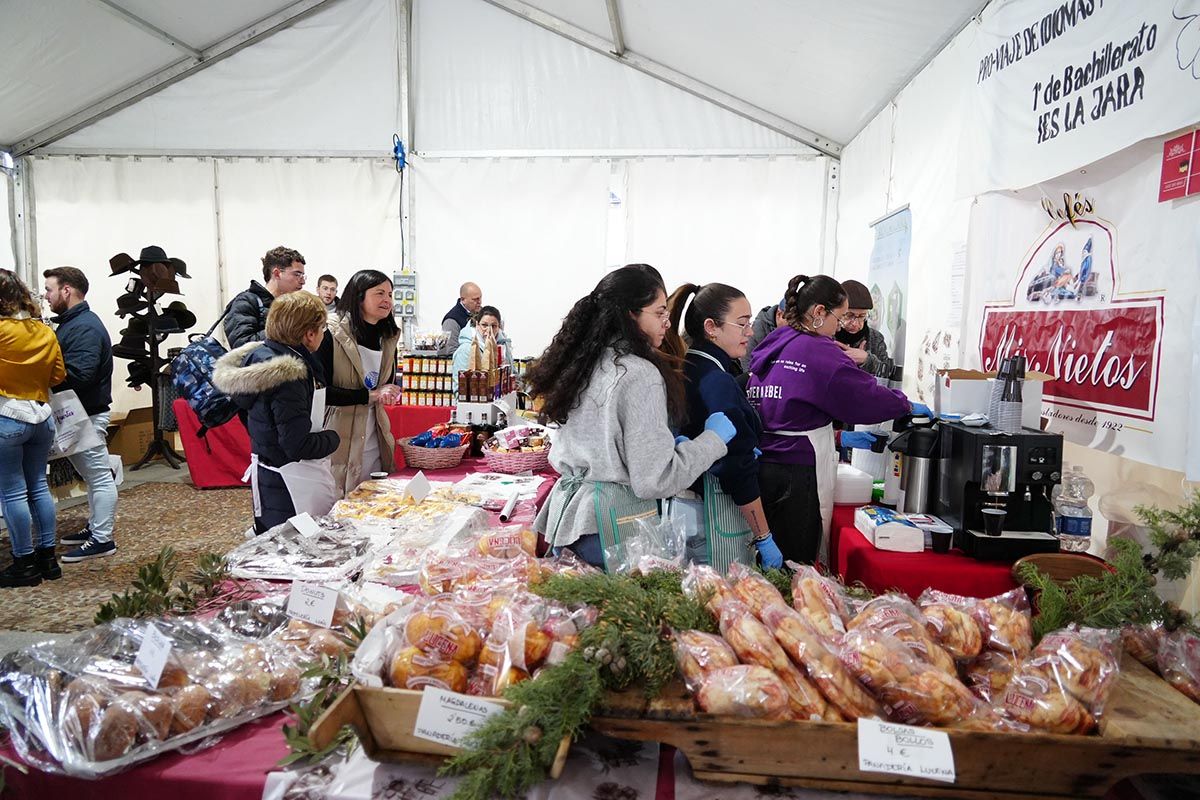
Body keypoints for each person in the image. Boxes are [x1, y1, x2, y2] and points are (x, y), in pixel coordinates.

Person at [528, 264, 735, 571]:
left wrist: (666, 446)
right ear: (630, 315)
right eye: (659, 312)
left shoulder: (582, 363)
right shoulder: (639, 374)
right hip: (610, 529)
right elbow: (655, 479)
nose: (667, 323)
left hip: (569, 520)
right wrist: (712, 441)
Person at [747, 274, 932, 565]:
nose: (841, 326)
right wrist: (904, 404)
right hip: (799, 468)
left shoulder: (776, 340)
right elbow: (861, 395)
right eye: (841, 316)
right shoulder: (819, 350)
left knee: (773, 556)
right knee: (798, 559)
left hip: (765, 464)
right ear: (819, 312)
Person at [666, 283, 782, 573]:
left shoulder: (688, 365)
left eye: (751, 323)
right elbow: (737, 469)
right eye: (742, 324)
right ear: (711, 327)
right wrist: (764, 536)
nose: (751, 332)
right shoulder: (715, 381)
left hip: (681, 509)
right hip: (711, 514)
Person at [214, 292, 341, 533]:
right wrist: (333, 438)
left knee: (277, 541)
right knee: (297, 547)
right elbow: (296, 445)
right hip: (291, 480)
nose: (324, 335)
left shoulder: (260, 357)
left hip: (269, 470)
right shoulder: (290, 374)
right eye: (322, 328)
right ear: (309, 334)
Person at [42, 267, 119, 562]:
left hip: (86, 414)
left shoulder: (84, 326)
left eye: (49, 290)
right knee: (92, 474)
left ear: (66, 290)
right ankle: (96, 528)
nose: (46, 297)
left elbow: (81, 374)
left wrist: (43, 369)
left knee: (99, 476)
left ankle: (102, 539)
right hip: (80, 412)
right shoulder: (74, 323)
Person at [0, 269, 66, 587]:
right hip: (42, 416)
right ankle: (47, 559)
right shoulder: (44, 331)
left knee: (12, 492)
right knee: (39, 487)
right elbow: (57, 376)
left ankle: (24, 563)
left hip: (6, 416)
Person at [319, 269, 401, 495]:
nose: (387, 300)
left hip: (374, 436)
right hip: (338, 435)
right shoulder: (330, 331)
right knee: (339, 504)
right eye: (379, 293)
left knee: (372, 504)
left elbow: (384, 383)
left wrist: (387, 392)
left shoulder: (389, 336)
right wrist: (371, 395)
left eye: (390, 294)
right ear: (359, 296)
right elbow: (320, 391)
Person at [224, 246, 307, 348]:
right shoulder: (246, 302)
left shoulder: (292, 306)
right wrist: (287, 327)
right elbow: (241, 345)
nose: (302, 281)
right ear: (277, 273)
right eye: (297, 274)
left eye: (303, 276)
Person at [834, 279, 893, 379]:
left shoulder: (874, 338)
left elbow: (888, 372)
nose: (856, 323)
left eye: (862, 316)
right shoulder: (827, 334)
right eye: (849, 315)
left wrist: (867, 360)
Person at [451, 305, 514, 386]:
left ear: (499, 327)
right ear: (477, 325)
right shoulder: (465, 349)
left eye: (493, 326)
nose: (489, 330)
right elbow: (459, 386)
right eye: (484, 325)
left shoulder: (504, 346)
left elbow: (513, 373)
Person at [739, 296, 786, 372]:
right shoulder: (759, 329)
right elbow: (747, 364)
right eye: (791, 321)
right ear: (779, 315)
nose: (795, 326)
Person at [438, 282, 482, 355]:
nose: (479, 302)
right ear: (463, 299)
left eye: (480, 298)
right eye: (475, 299)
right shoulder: (451, 321)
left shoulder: (482, 314)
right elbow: (450, 351)